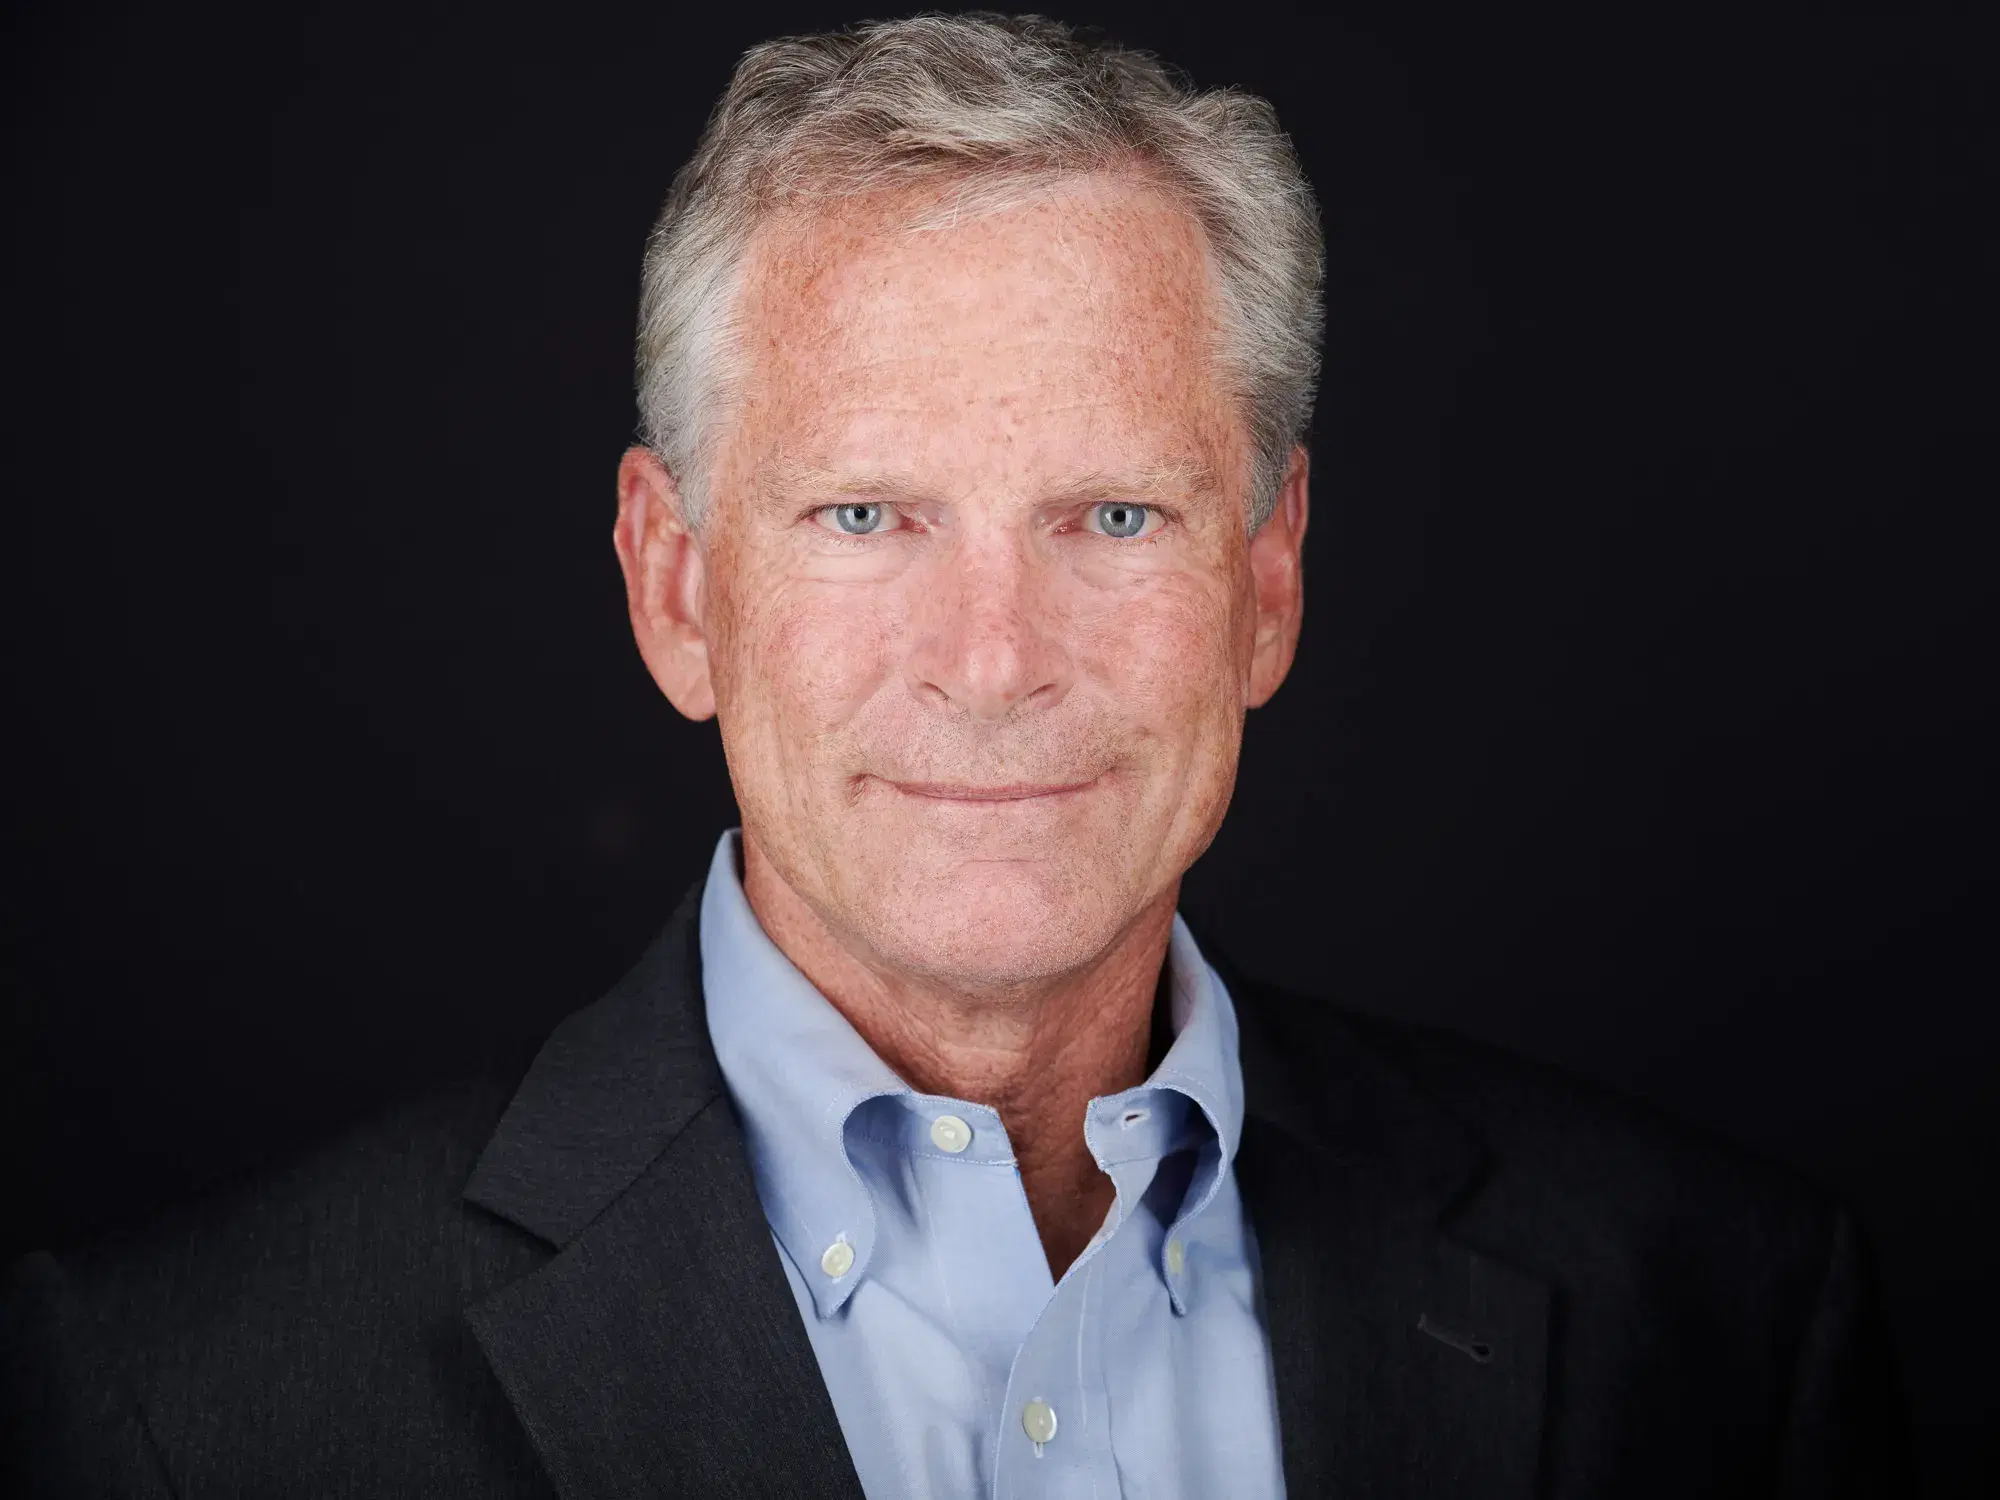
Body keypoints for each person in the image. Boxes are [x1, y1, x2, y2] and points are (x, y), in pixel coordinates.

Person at [2, 13, 1910, 1497]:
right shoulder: (188, 1399)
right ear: (677, 588)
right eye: (863, 517)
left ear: (1268, 583)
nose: (995, 662)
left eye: (1115, 517)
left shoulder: (1715, 1317)